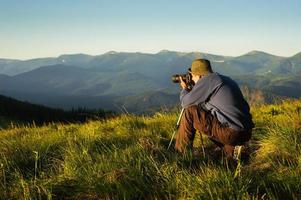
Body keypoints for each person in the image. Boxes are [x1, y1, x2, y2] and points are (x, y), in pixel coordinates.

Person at [175, 58, 254, 160]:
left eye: (193, 76)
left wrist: (185, 89)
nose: (193, 80)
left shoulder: (207, 81)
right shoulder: (225, 79)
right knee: (207, 112)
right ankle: (232, 149)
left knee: (190, 111)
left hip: (231, 133)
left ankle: (181, 155)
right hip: (246, 132)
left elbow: (185, 103)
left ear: (199, 75)